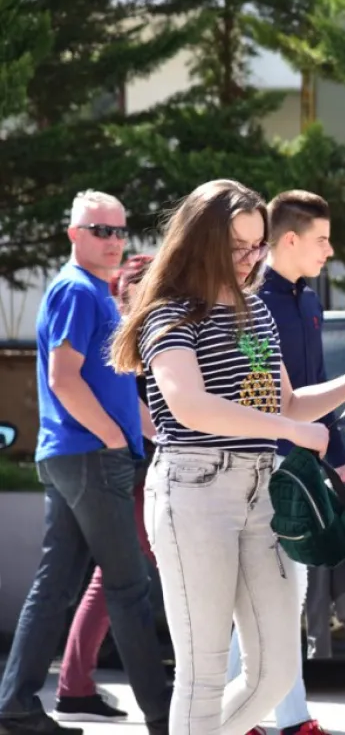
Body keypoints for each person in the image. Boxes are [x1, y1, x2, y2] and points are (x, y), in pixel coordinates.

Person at [108, 179, 345, 735]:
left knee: (275, 669)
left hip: (261, 493)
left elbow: (289, 399)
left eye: (258, 245)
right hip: (195, 491)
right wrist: (290, 428)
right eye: (239, 246)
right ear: (201, 242)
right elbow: (189, 405)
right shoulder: (169, 313)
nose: (251, 259)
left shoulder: (256, 312)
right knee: (204, 672)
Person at [0, 192, 171, 735]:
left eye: (121, 231)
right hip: (90, 460)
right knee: (129, 587)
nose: (114, 240)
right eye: (101, 230)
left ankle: (17, 705)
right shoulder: (78, 290)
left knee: (56, 586)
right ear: (74, 234)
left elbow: (115, 392)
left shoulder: (97, 293)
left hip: (79, 457)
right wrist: (114, 441)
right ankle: (166, 715)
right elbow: (63, 379)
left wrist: (160, 432)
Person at [227, 190, 345, 735]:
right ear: (291, 239)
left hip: (301, 463)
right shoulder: (251, 304)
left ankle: (270, 716)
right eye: (322, 239)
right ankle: (266, 717)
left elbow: (311, 390)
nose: (330, 250)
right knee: (270, 599)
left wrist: (337, 454)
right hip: (259, 468)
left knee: (278, 598)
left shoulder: (309, 302)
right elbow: (269, 398)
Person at [55, 254, 157, 723]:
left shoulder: (137, 325)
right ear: (129, 287)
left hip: (135, 464)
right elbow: (132, 407)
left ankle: (76, 683)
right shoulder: (121, 328)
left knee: (115, 574)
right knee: (120, 575)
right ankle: (77, 685)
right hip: (134, 465)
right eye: (150, 284)